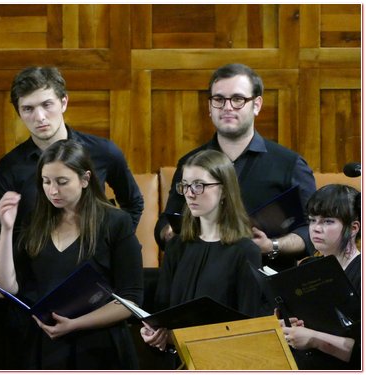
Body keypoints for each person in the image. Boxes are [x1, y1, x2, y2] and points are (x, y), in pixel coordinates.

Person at [0, 139, 143, 369]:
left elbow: (131, 298)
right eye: (46, 181)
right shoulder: (36, 221)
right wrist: (6, 229)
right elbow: (4, 289)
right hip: (46, 346)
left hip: (99, 346)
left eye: (62, 182)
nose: (53, 190)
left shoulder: (116, 222)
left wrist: (76, 324)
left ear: (85, 179)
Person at [154, 63, 316, 270]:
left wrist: (271, 245)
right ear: (210, 108)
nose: (227, 107)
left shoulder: (290, 164)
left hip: (264, 284)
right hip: (202, 281)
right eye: (219, 100)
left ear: (256, 105)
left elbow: (313, 231)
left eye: (238, 99)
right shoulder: (190, 162)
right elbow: (166, 223)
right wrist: (171, 233)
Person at [0, 66, 143, 260]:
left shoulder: (103, 152)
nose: (40, 117)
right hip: (37, 276)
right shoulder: (9, 167)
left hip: (95, 267)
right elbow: (0, 235)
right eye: (28, 108)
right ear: (19, 113)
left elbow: (133, 202)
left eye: (47, 104)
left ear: (63, 103)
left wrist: (117, 244)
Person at [141, 149, 262, 353]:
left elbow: (247, 326)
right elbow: (162, 309)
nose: (189, 193)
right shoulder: (177, 245)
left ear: (224, 190)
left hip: (222, 360)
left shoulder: (245, 251)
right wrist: (154, 331)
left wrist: (177, 338)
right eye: (186, 185)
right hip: (177, 360)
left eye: (199, 185)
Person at [281, 184, 360, 370]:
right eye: (312, 220)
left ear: (354, 227)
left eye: (327, 221)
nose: (316, 228)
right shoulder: (307, 267)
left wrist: (315, 340)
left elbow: (359, 351)